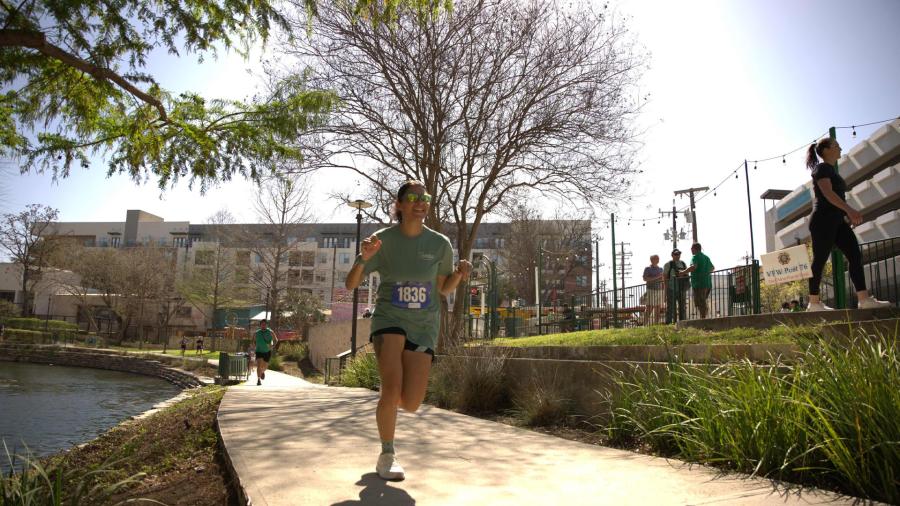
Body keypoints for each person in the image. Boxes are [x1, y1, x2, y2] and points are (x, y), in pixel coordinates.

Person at [345, 180, 471, 481]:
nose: (420, 202)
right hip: (389, 318)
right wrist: (363, 258)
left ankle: (389, 407)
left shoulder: (440, 243)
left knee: (411, 402)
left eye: (424, 197)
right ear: (399, 205)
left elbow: (442, 289)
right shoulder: (381, 239)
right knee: (391, 388)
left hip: (425, 325)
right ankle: (387, 453)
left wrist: (459, 276)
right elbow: (351, 284)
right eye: (412, 197)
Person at [804, 139, 890, 311]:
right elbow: (827, 193)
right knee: (820, 259)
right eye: (836, 146)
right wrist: (850, 210)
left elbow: (835, 196)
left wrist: (844, 215)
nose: (840, 148)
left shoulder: (831, 170)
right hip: (822, 220)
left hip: (837, 221)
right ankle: (813, 303)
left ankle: (864, 300)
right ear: (827, 150)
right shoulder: (822, 168)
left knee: (854, 255)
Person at [680, 243, 715, 319]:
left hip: (699, 283)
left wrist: (682, 272)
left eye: (691, 249)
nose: (691, 250)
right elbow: (712, 268)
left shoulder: (695, 257)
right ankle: (704, 317)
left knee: (700, 302)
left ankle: (703, 318)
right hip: (708, 283)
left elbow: (693, 267)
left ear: (694, 249)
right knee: (702, 301)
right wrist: (705, 272)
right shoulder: (706, 257)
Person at [662, 249, 688, 323]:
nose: (677, 255)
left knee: (682, 307)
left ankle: (683, 322)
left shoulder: (683, 263)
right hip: (671, 288)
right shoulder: (668, 264)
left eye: (679, 254)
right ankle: (669, 323)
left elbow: (686, 275)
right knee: (670, 307)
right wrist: (666, 289)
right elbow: (664, 277)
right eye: (676, 254)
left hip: (681, 289)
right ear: (672, 255)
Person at [254, 319, 278, 386]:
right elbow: (253, 341)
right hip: (259, 351)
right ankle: (258, 380)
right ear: (260, 325)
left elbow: (276, 340)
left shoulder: (270, 332)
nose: (263, 326)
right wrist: (254, 347)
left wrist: (272, 346)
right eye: (262, 324)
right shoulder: (257, 333)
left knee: (265, 366)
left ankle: (262, 372)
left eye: (265, 324)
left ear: (267, 325)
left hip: (267, 351)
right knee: (259, 366)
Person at [642, 255, 664, 325]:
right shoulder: (647, 269)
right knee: (649, 308)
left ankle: (656, 325)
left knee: (658, 309)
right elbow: (645, 278)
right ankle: (645, 324)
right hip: (651, 290)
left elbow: (662, 279)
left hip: (659, 290)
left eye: (658, 258)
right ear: (651, 260)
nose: (658, 260)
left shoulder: (661, 269)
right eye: (656, 259)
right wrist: (657, 277)